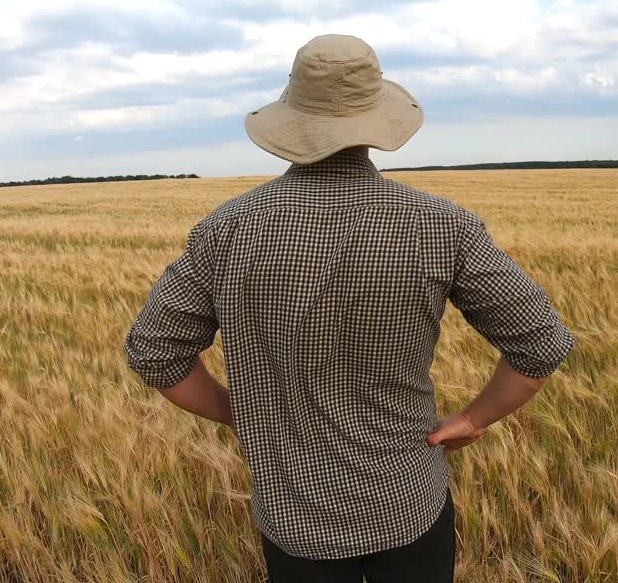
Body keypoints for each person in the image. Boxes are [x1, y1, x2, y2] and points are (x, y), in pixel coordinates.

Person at [124, 34, 575, 582]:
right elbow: (540, 344)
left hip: (294, 518)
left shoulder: (227, 230)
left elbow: (154, 352)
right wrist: (473, 419)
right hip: (407, 503)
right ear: (376, 121)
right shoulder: (442, 226)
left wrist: (235, 411)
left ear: (291, 120)